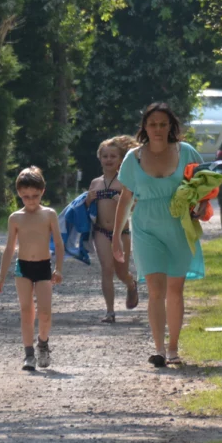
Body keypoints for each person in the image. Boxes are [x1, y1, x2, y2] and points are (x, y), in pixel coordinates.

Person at [112, 103, 211, 367]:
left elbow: (205, 186)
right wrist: (116, 235)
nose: (158, 129)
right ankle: (158, 349)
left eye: (163, 124)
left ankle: (173, 347)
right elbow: (126, 197)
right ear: (144, 127)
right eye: (153, 124)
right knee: (155, 289)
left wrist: (201, 204)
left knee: (175, 290)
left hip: (179, 225)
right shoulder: (133, 158)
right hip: (145, 226)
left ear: (171, 127)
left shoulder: (186, 152)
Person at [0, 166, 64, 371]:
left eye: (34, 195)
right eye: (25, 197)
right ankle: (28, 354)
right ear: (19, 194)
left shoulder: (49, 214)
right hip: (23, 267)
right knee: (26, 311)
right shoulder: (15, 217)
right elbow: (9, 248)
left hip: (43, 267)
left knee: (45, 312)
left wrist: (58, 269)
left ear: (43, 191)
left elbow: (59, 244)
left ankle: (43, 343)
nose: (31, 200)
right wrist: (1, 276)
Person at [86, 135, 139, 322]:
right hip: (101, 231)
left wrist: (125, 203)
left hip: (122, 232)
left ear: (120, 159)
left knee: (120, 272)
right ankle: (110, 311)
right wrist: (88, 200)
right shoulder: (95, 183)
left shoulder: (125, 182)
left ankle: (131, 284)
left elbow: (135, 206)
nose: (109, 160)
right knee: (106, 269)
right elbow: (86, 209)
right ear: (99, 158)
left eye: (113, 156)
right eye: (105, 156)